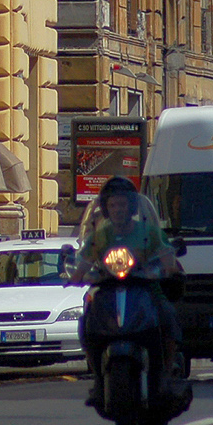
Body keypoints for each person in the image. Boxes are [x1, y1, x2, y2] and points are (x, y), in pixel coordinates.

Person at [70, 175, 182, 408]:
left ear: (131, 206)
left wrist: (165, 269)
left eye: (122, 204)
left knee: (168, 316)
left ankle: (166, 372)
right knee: (86, 321)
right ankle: (98, 378)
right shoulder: (100, 235)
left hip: (145, 287)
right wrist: (76, 275)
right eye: (112, 204)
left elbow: (167, 258)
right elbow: (82, 265)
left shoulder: (149, 232)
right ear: (106, 208)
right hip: (109, 290)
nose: (118, 209)